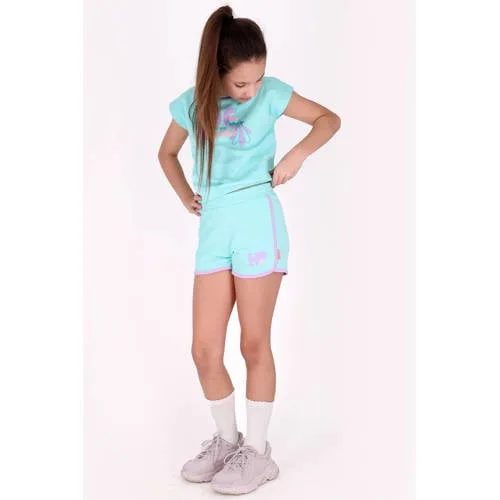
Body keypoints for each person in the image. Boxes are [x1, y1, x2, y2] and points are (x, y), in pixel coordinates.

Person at [157, 4, 341, 495]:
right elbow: (166, 153)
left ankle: (258, 454)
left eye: (257, 79)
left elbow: (328, 119)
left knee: (253, 343)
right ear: (215, 72)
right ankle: (227, 441)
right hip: (214, 228)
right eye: (241, 83)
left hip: (259, 221)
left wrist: (296, 155)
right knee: (203, 350)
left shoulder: (272, 93)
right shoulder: (192, 105)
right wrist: (185, 194)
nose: (251, 91)